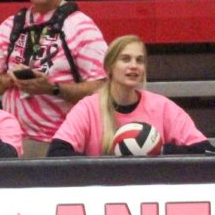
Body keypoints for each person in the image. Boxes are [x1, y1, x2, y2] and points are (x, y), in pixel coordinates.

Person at [0, 0, 108, 157]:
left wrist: (53, 88)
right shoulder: (12, 25)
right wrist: (10, 80)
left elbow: (103, 88)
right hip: (12, 141)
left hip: (63, 141)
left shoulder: (80, 26)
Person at [48, 35, 215, 157]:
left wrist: (161, 151)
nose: (133, 66)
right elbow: (56, 153)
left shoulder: (162, 106)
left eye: (139, 60)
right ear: (109, 67)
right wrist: (99, 167)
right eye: (126, 59)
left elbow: (207, 151)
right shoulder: (88, 108)